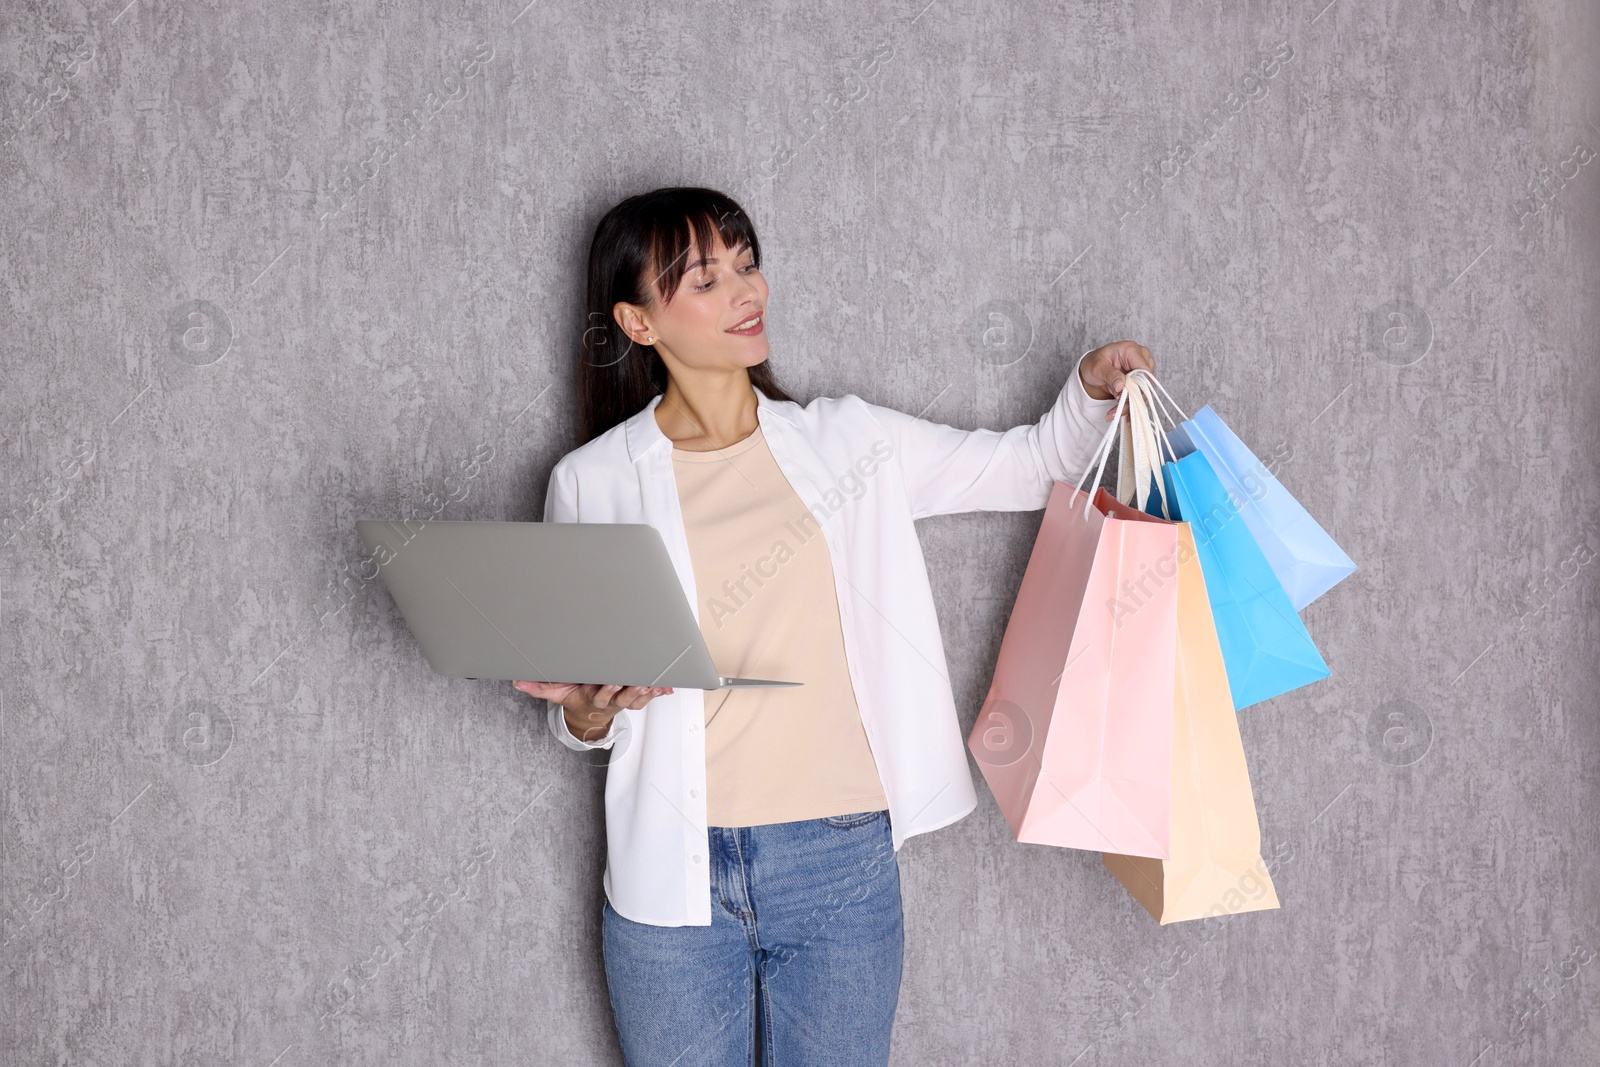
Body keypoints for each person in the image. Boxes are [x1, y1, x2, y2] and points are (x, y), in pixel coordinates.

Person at [514, 186, 1154, 1066]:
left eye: (748, 264)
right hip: (669, 877)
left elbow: (1028, 465)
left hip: (838, 866)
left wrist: (1089, 391)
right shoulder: (590, 482)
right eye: (707, 279)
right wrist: (587, 712)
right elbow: (578, 711)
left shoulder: (847, 443)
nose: (747, 292)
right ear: (637, 322)